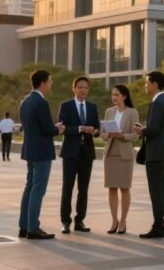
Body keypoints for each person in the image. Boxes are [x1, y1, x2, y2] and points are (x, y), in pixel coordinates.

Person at [19, 69, 65, 239]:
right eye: (50, 81)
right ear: (43, 83)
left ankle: (24, 226)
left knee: (29, 188)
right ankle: (33, 227)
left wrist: (52, 127)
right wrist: (58, 129)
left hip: (30, 149)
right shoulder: (41, 102)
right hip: (42, 151)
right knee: (38, 189)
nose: (51, 84)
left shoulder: (25, 101)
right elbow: (48, 129)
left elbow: (34, 126)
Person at [133, 70, 164, 239]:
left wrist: (141, 130)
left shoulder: (157, 103)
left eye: (147, 83)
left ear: (155, 84)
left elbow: (154, 130)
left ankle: (158, 227)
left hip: (155, 153)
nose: (145, 85)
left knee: (156, 191)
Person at [57, 75, 100, 234]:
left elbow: (97, 128)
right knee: (67, 187)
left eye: (86, 87)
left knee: (84, 188)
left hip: (87, 152)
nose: (83, 90)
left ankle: (79, 220)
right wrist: (80, 129)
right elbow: (62, 128)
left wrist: (95, 131)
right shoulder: (66, 106)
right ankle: (65, 221)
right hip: (70, 152)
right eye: (80, 87)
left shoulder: (92, 107)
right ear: (74, 89)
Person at [102, 84, 140, 235]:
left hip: (125, 154)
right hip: (110, 153)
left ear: (124, 96)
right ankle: (114, 220)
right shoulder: (109, 111)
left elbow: (136, 135)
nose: (114, 97)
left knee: (124, 188)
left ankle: (123, 221)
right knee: (111, 188)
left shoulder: (132, 112)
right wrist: (108, 134)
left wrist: (122, 136)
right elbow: (103, 135)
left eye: (117, 94)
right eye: (113, 94)